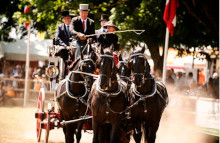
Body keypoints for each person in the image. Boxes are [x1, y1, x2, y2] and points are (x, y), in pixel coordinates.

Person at [55, 10, 75, 79]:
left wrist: (72, 44)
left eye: (69, 18)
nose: (67, 20)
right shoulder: (60, 27)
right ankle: (62, 74)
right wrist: (65, 45)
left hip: (73, 46)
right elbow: (57, 38)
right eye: (65, 18)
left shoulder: (74, 27)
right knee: (63, 51)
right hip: (64, 47)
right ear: (63, 20)